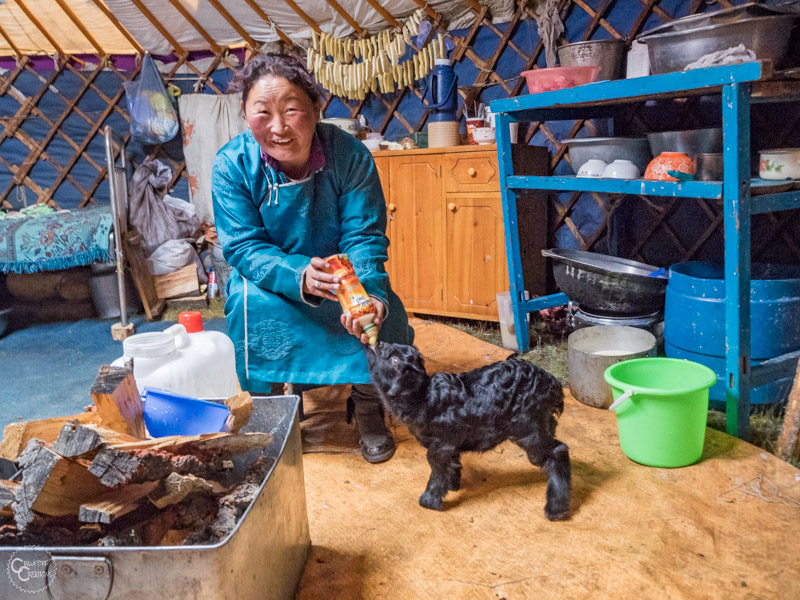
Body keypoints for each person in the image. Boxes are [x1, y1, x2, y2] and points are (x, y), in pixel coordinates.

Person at [211, 53, 414, 463]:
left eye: (291, 111)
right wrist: (298, 274)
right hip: (272, 274)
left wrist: (369, 292)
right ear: (245, 114)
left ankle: (368, 404)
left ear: (316, 110)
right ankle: (271, 410)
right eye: (262, 112)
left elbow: (364, 234)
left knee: (378, 312)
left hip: (341, 272)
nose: (278, 127)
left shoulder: (351, 156)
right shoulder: (231, 166)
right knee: (250, 304)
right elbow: (244, 247)